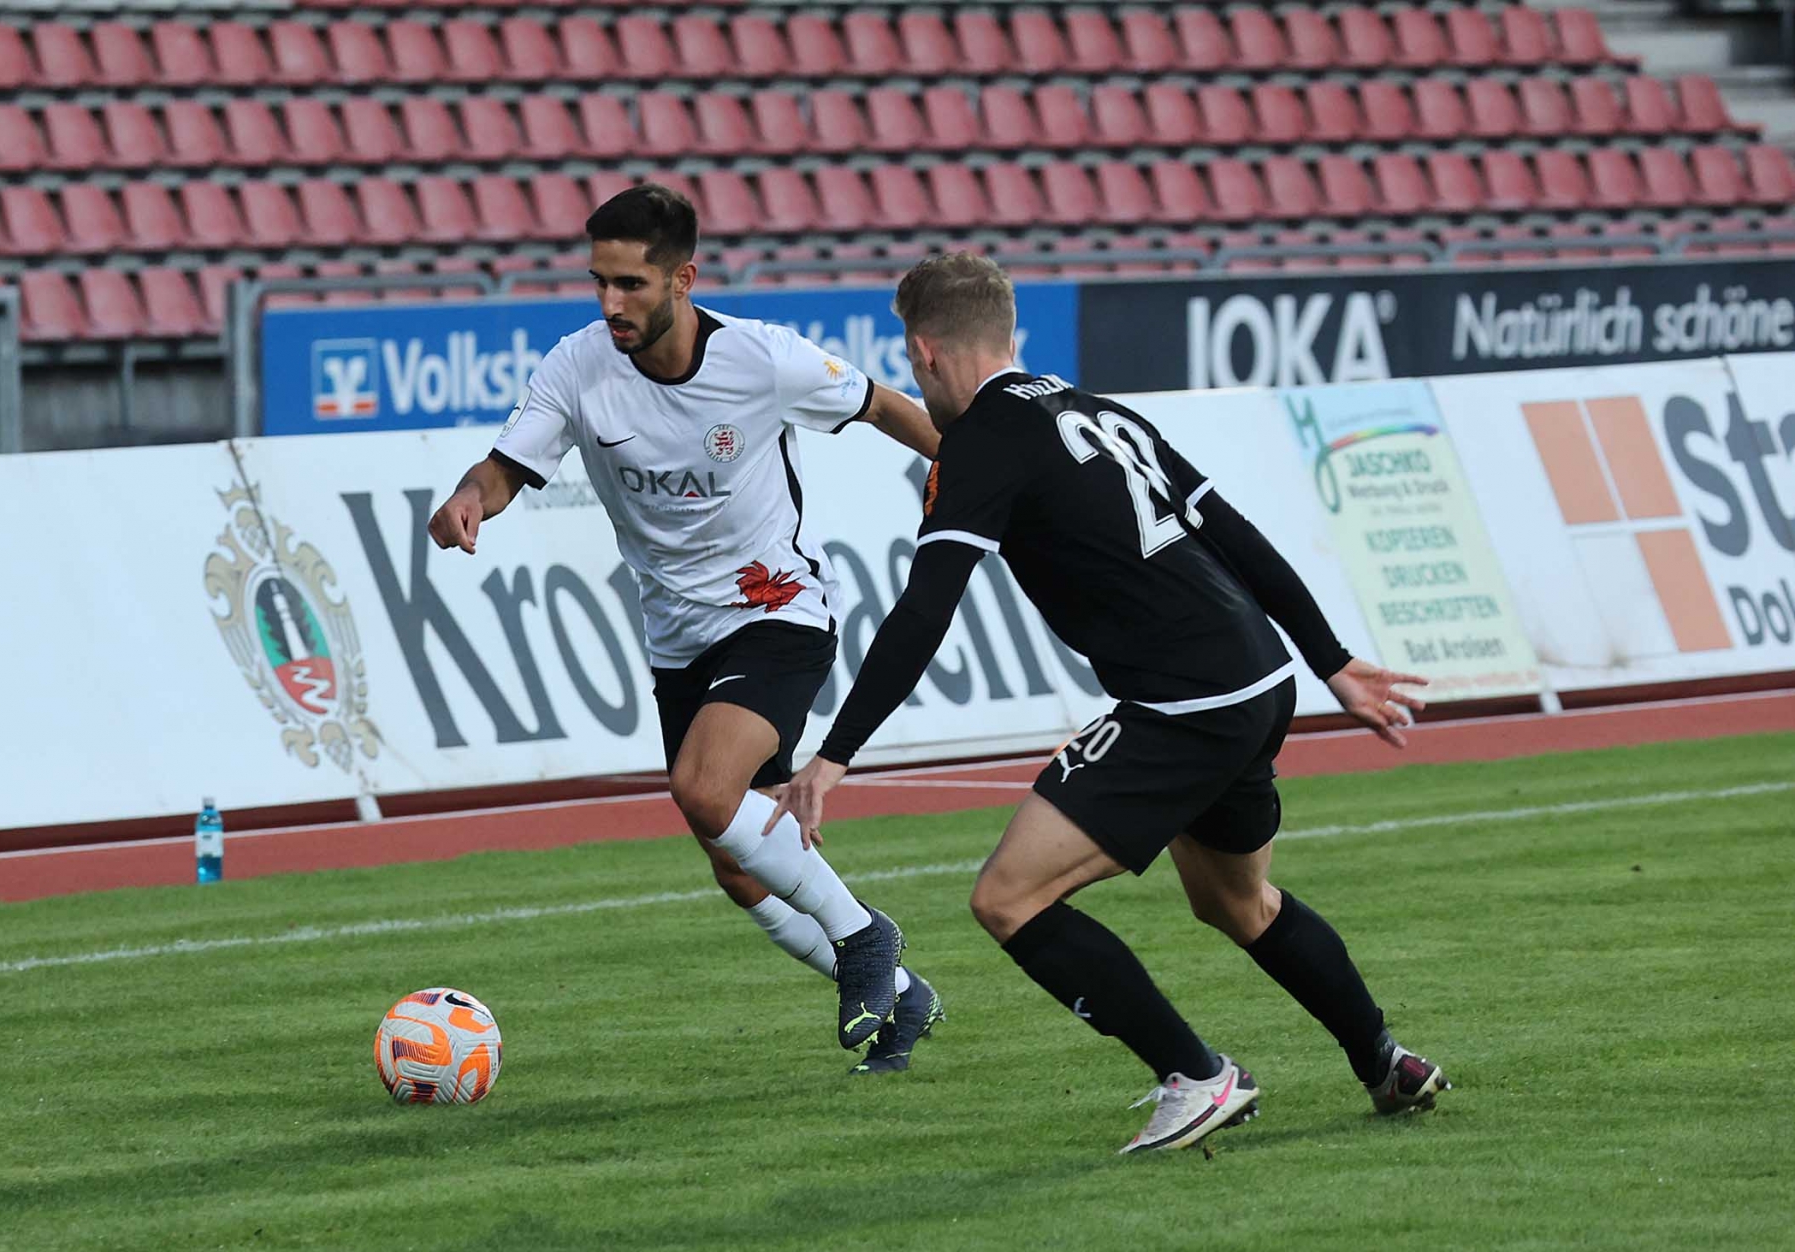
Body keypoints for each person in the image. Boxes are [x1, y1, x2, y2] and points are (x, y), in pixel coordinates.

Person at [769, 252, 1450, 1148]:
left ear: (926, 352)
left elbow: (927, 605)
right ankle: (1386, 1061)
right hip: (1254, 678)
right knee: (1238, 903)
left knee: (1008, 898)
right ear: (1008, 335)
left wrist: (835, 751)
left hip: (1183, 702)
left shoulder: (983, 440)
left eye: (909, 356)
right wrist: (1330, 660)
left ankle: (1197, 1075)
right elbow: (1233, 530)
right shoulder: (1094, 409)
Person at [428, 185, 944, 1071]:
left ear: (683, 278)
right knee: (739, 864)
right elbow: (508, 463)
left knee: (704, 789)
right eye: (598, 282)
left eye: (629, 283)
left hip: (777, 609)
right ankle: (902, 995)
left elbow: (885, 407)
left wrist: (975, 471)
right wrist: (472, 498)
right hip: (677, 640)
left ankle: (866, 936)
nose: (609, 303)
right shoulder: (576, 367)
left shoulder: (763, 359)